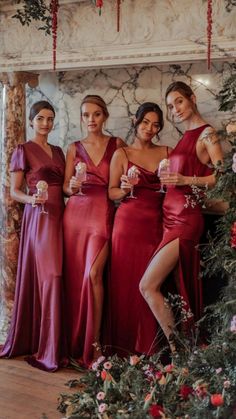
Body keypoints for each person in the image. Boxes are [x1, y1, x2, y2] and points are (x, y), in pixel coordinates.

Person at [139, 82, 223, 352]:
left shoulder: (207, 134)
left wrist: (186, 178)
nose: (175, 109)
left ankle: (180, 353)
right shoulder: (185, 136)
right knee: (177, 289)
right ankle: (183, 354)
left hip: (186, 221)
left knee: (148, 285)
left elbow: (222, 175)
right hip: (170, 220)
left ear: (192, 99)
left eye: (179, 102)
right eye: (171, 106)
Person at [0, 101, 66, 371]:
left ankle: (56, 344)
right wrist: (32, 200)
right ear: (31, 121)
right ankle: (47, 349)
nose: (46, 124)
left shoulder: (60, 152)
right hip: (39, 218)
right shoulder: (23, 150)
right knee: (51, 276)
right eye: (40, 119)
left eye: (50, 119)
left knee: (61, 276)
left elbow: (65, 187)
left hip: (63, 216)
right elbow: (14, 192)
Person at [105, 102, 171, 357]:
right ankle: (125, 349)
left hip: (155, 225)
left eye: (155, 125)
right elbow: (111, 193)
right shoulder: (121, 154)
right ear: (136, 121)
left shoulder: (167, 151)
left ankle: (151, 348)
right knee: (126, 285)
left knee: (151, 285)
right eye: (145, 122)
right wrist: (124, 188)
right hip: (127, 225)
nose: (149, 129)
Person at [63, 94, 125, 367]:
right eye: (86, 115)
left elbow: (117, 185)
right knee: (76, 278)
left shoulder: (117, 144)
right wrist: (72, 187)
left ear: (105, 116)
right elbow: (66, 186)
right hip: (75, 216)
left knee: (94, 274)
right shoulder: (74, 148)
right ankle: (74, 341)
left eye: (96, 114)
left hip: (102, 212)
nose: (91, 120)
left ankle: (96, 342)